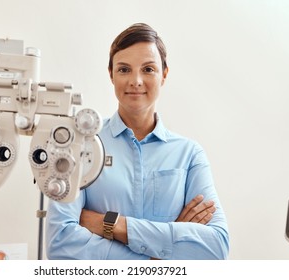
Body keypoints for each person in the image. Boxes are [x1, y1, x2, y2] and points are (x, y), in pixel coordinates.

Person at [45, 23, 229, 260]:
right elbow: (60, 243)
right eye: (124, 69)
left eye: (148, 69)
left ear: (164, 75)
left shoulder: (189, 154)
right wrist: (162, 255)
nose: (136, 80)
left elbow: (216, 248)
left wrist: (111, 224)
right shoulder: (80, 144)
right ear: (111, 74)